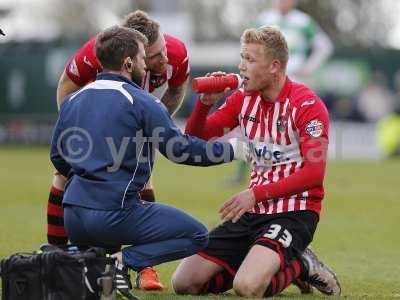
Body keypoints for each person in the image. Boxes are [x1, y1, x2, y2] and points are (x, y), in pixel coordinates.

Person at [50, 25, 236, 300]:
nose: (145, 67)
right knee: (196, 235)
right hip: (114, 214)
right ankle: (122, 263)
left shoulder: (74, 100)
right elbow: (180, 151)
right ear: (127, 63)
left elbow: (58, 157)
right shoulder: (142, 101)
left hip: (74, 218)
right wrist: (234, 150)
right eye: (140, 59)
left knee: (99, 292)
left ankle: (97, 266)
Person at [171, 26, 341, 298]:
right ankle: (258, 261)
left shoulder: (308, 105)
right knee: (185, 283)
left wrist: (255, 194)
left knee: (247, 287)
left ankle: (299, 264)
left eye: (250, 59)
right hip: (252, 211)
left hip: (294, 212)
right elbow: (195, 138)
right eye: (242, 58)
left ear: (274, 66)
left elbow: (314, 174)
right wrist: (205, 104)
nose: (241, 66)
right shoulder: (242, 99)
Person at [46, 10, 189, 290]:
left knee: (142, 178)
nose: (166, 57)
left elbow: (176, 90)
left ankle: (144, 267)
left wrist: (154, 126)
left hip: (136, 115)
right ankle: (57, 260)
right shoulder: (97, 50)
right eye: (157, 54)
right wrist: (78, 134)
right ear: (134, 55)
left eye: (164, 49)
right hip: (98, 117)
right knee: (62, 176)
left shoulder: (175, 52)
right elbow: (66, 86)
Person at [231, 0, 334, 185]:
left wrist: (309, 68)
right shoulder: (265, 19)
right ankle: (243, 172)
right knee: (252, 126)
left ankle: (294, 170)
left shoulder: (303, 22)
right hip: (266, 80)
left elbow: (324, 46)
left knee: (286, 129)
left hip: (292, 80)